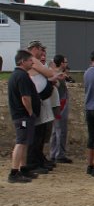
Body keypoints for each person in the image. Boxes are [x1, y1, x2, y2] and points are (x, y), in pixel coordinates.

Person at [7, 50, 40, 183]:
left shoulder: (17, 75)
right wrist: (30, 112)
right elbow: (25, 97)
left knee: (24, 142)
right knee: (21, 142)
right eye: (30, 60)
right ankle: (14, 172)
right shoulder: (21, 76)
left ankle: (23, 168)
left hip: (22, 116)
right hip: (22, 116)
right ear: (22, 61)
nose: (32, 62)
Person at [27, 44, 61, 174]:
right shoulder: (32, 61)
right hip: (37, 102)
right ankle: (33, 162)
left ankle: (38, 159)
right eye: (41, 50)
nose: (42, 53)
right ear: (34, 49)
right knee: (36, 135)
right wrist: (50, 74)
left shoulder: (37, 62)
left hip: (43, 102)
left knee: (41, 135)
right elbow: (49, 73)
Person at [49, 54, 73, 162]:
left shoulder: (53, 73)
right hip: (61, 105)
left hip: (56, 105)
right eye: (65, 62)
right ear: (62, 63)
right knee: (61, 130)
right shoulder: (59, 75)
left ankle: (53, 153)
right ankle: (60, 154)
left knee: (55, 131)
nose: (66, 64)